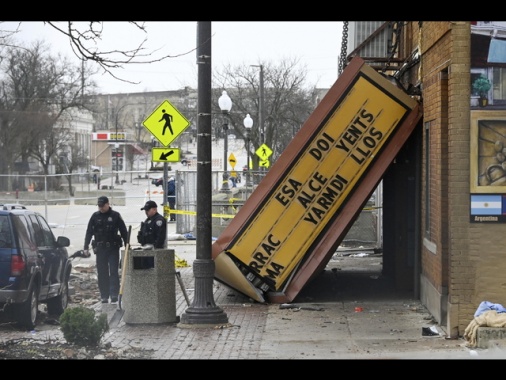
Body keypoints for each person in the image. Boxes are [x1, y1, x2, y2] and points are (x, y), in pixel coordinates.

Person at [83, 196, 128, 304]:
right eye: (99, 206)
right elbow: (89, 232)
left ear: (108, 204)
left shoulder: (115, 216)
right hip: (100, 249)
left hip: (113, 248)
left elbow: (123, 231)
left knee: (113, 271)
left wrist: (127, 245)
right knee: (102, 272)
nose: (101, 208)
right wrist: (85, 246)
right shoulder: (95, 216)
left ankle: (114, 294)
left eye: (103, 206)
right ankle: (104, 295)